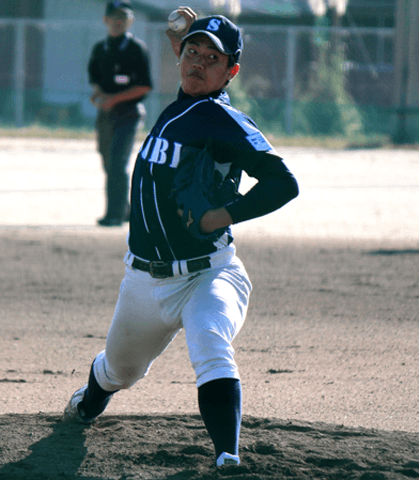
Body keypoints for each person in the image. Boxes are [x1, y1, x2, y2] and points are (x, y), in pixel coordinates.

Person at [64, 7, 299, 468]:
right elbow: (191, 63)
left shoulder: (221, 119)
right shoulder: (184, 100)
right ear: (180, 56)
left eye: (213, 59)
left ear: (231, 71)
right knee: (119, 371)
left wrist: (222, 215)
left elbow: (283, 183)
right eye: (192, 53)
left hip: (209, 274)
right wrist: (186, 36)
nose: (198, 63)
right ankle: (88, 403)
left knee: (210, 343)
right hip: (144, 283)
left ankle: (227, 455)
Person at [88, 0, 153, 227]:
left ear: (130, 21)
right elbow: (96, 82)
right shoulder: (100, 49)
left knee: (118, 162)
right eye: (114, 17)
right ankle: (124, 209)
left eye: (123, 18)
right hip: (105, 115)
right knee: (108, 163)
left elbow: (144, 87)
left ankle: (113, 215)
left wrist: (114, 99)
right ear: (106, 20)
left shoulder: (136, 50)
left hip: (129, 114)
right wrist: (98, 96)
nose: (118, 22)